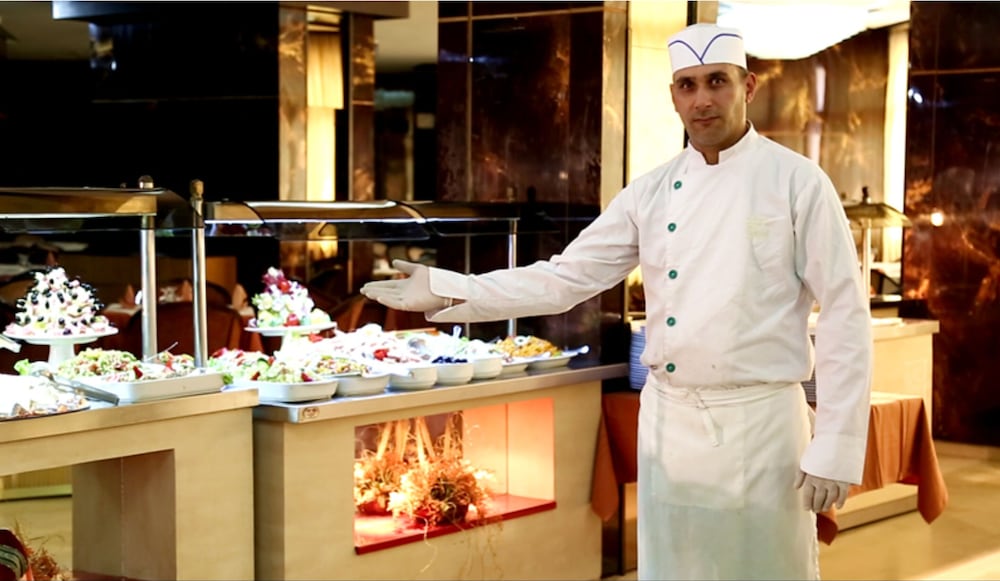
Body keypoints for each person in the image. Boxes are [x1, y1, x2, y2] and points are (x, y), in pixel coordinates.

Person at [362, 22, 872, 581]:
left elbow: (846, 315)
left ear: (748, 86)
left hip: (761, 425)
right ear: (673, 96)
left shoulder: (798, 182)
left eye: (717, 81)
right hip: (668, 424)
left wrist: (837, 444)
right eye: (687, 85)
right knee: (673, 570)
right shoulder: (650, 192)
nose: (702, 100)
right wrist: (450, 287)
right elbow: (565, 279)